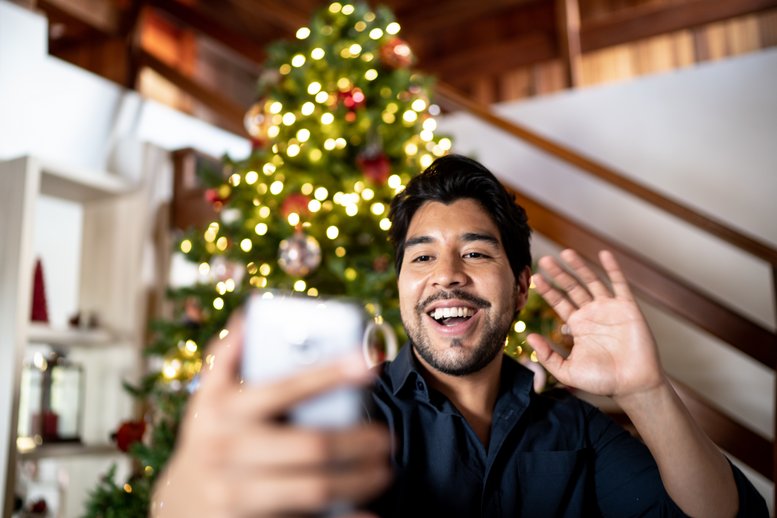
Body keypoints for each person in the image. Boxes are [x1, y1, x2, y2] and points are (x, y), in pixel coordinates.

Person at [150, 154, 767, 517]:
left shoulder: (577, 430)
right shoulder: (349, 412)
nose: (446, 275)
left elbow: (723, 515)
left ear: (519, 289)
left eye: (475, 252)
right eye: (422, 257)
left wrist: (646, 392)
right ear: (400, 288)